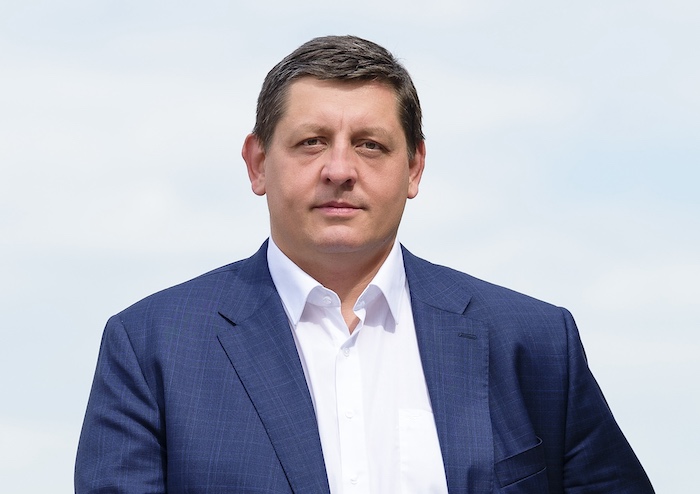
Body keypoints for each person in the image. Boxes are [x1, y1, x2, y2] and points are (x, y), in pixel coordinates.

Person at [75, 35, 654, 493]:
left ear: (415, 168)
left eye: (370, 144)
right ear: (257, 164)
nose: (339, 170)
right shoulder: (151, 348)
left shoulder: (533, 342)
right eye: (311, 142)